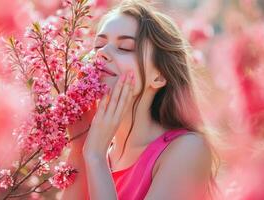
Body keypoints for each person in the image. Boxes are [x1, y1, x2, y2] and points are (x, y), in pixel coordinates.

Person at [61, 0, 219, 199]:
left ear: (159, 76)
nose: (101, 53)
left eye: (125, 48)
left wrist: (96, 158)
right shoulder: (97, 150)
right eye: (98, 45)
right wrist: (79, 146)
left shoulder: (188, 149)